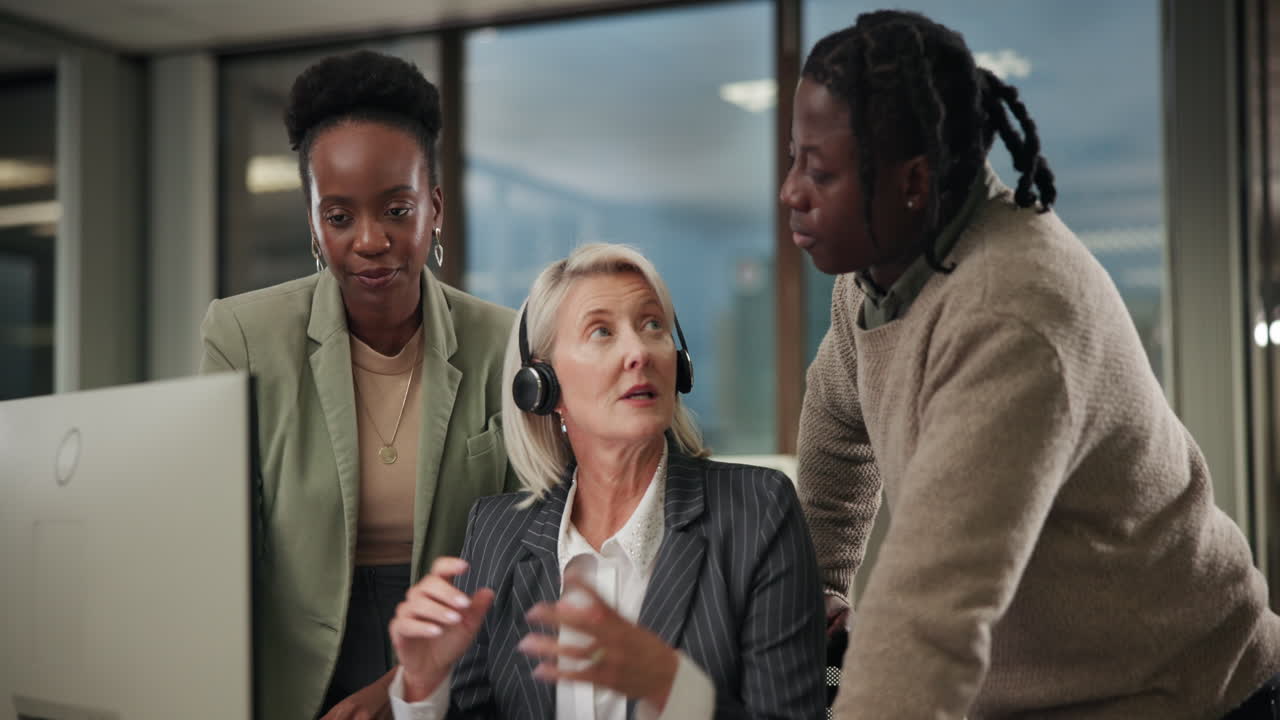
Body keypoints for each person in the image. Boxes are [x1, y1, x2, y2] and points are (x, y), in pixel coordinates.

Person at [784, 10, 1280, 719]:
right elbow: (838, 423)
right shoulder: (874, 281)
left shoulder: (1009, 313)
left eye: (820, 170)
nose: (790, 192)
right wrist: (818, 589)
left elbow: (926, 614)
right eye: (793, 158)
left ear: (914, 182)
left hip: (1185, 697)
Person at [200, 50, 517, 720]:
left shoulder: (504, 341)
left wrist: (400, 687)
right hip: (297, 680)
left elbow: (525, 553)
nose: (370, 240)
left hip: (463, 666)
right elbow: (220, 550)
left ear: (433, 208)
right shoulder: (243, 336)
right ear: (315, 224)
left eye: (396, 210)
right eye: (340, 217)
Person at [385, 243, 826, 719]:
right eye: (601, 331)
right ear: (541, 385)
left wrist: (675, 690)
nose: (638, 352)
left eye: (652, 325)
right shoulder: (495, 532)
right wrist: (423, 690)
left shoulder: (757, 509)